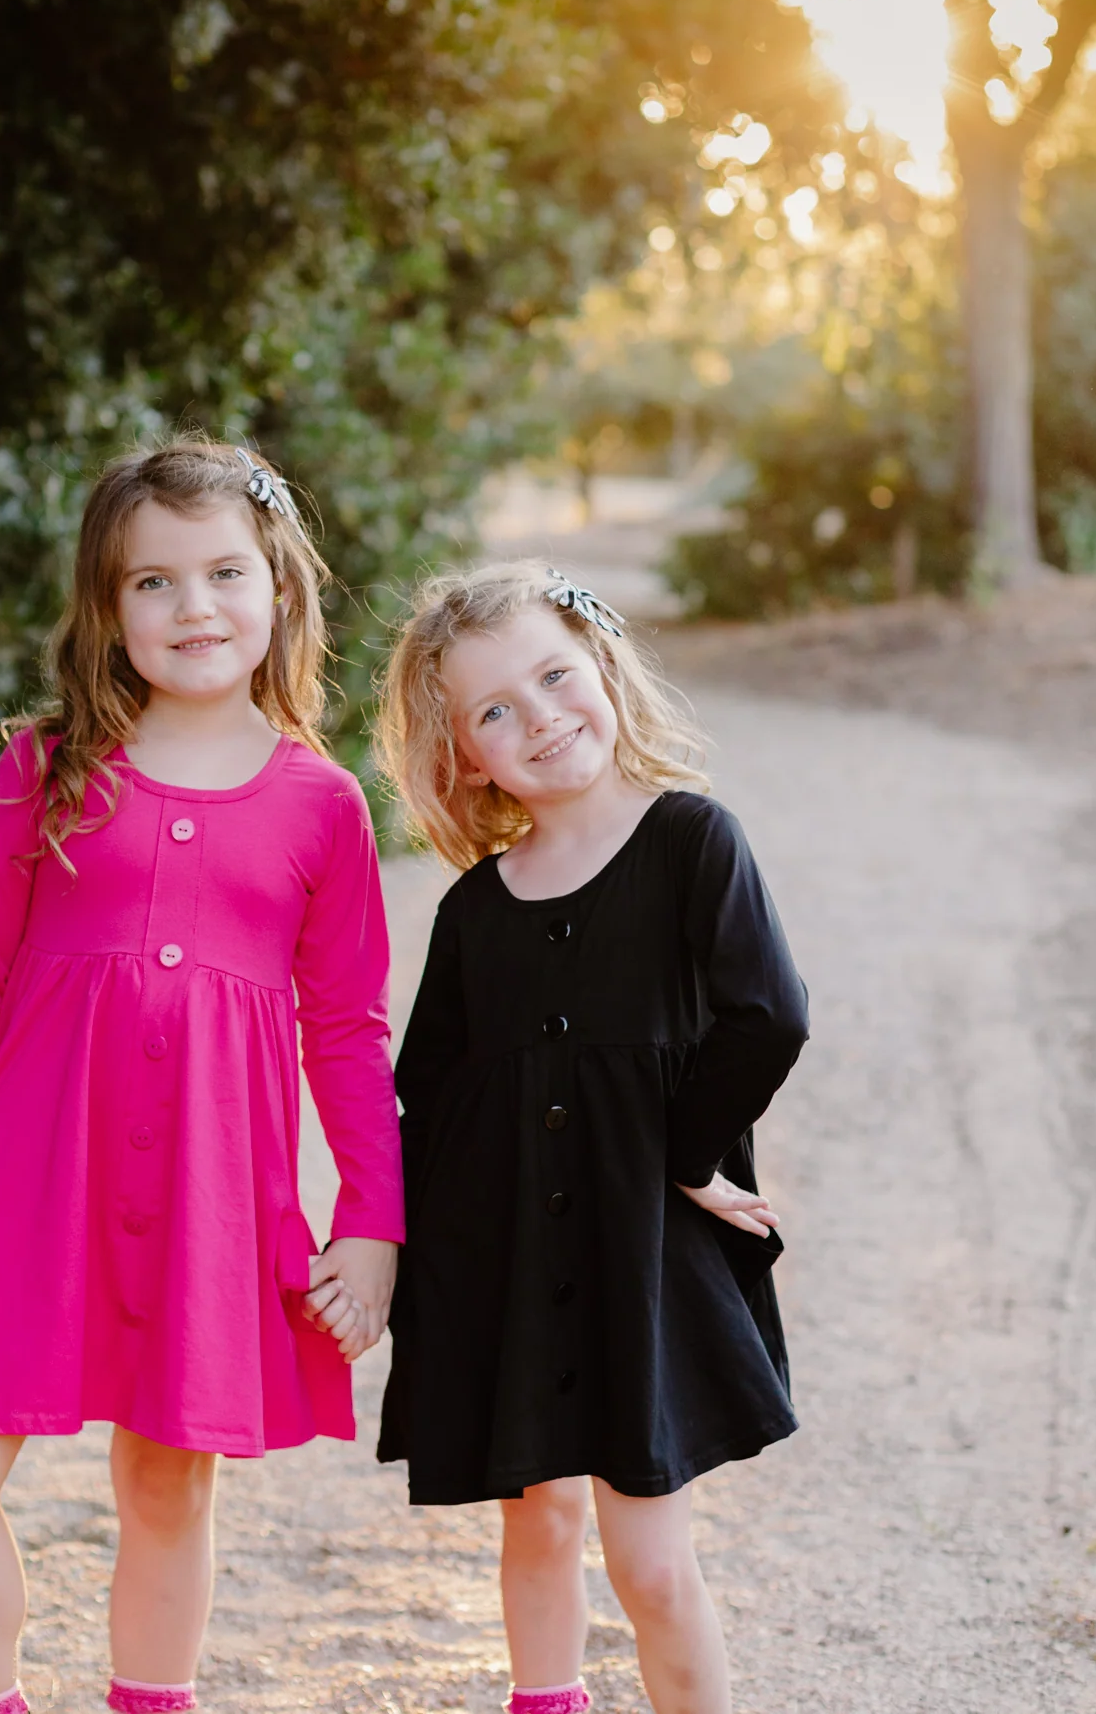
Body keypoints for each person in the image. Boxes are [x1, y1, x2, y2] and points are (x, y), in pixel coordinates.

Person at [0, 437, 402, 1714]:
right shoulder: (44, 767)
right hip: (23, 1180)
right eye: (151, 581)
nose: (191, 606)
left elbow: (346, 1028)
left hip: (208, 1193)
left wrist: (370, 1220)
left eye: (223, 573)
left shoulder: (321, 804)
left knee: (166, 1479)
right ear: (108, 609)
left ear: (278, 588)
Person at [369, 561, 809, 1714]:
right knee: (538, 1522)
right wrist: (387, 1252)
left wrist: (686, 1154)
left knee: (650, 1562)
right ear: (465, 755)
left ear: (604, 669)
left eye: (554, 677)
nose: (539, 717)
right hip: (511, 1263)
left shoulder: (690, 843)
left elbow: (768, 1015)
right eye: (493, 710)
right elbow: (429, 1095)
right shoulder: (474, 911)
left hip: (640, 1257)